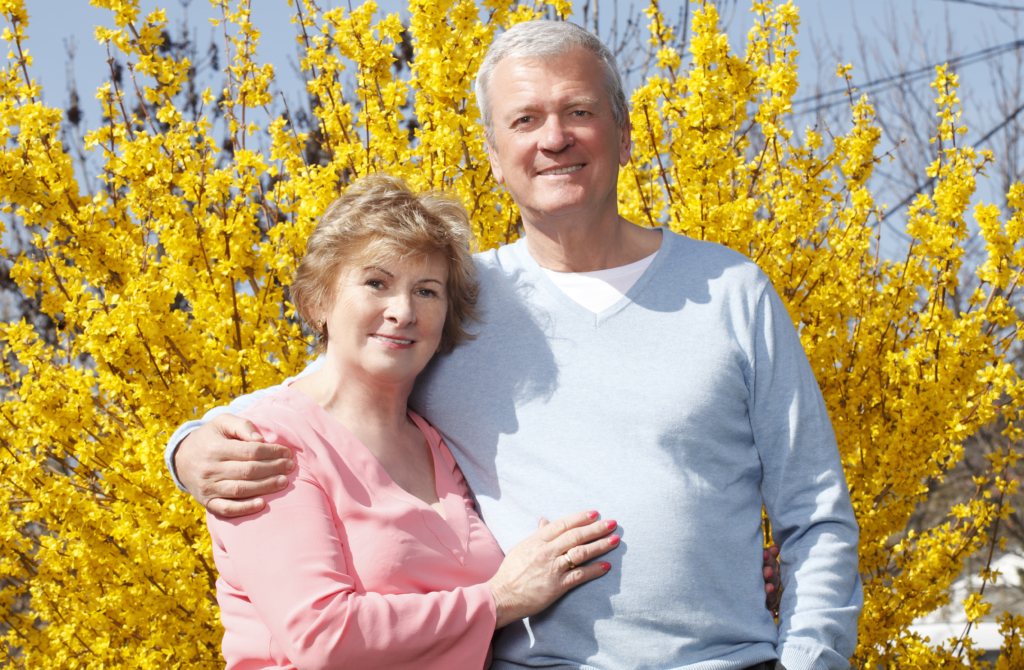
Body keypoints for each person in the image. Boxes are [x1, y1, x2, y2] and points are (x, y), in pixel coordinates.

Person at [168, 21, 861, 670]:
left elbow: (816, 510)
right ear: (496, 158)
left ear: (623, 136)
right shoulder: (456, 297)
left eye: (579, 112)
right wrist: (192, 445)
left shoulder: (730, 290)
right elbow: (332, 393)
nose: (553, 138)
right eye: (525, 120)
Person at [207, 174, 622, 669]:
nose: (402, 311)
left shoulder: (432, 441)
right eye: (376, 283)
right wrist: (502, 598)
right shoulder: (269, 445)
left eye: (426, 292)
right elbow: (322, 636)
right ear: (318, 301)